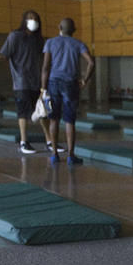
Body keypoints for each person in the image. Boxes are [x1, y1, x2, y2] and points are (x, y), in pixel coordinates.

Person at [0, 10, 53, 155]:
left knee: (43, 111)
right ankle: (24, 142)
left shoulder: (39, 40)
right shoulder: (15, 36)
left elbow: (44, 59)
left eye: (36, 19)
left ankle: (49, 142)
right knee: (23, 112)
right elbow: (5, 55)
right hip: (21, 81)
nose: (33, 21)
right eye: (30, 18)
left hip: (36, 81)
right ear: (24, 20)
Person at [41, 17, 94, 165]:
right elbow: (91, 62)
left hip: (53, 83)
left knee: (54, 119)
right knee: (70, 121)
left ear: (59, 27)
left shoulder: (50, 43)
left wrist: (42, 88)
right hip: (70, 84)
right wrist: (85, 79)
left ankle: (54, 154)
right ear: (74, 30)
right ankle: (71, 155)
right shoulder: (78, 44)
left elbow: (45, 68)